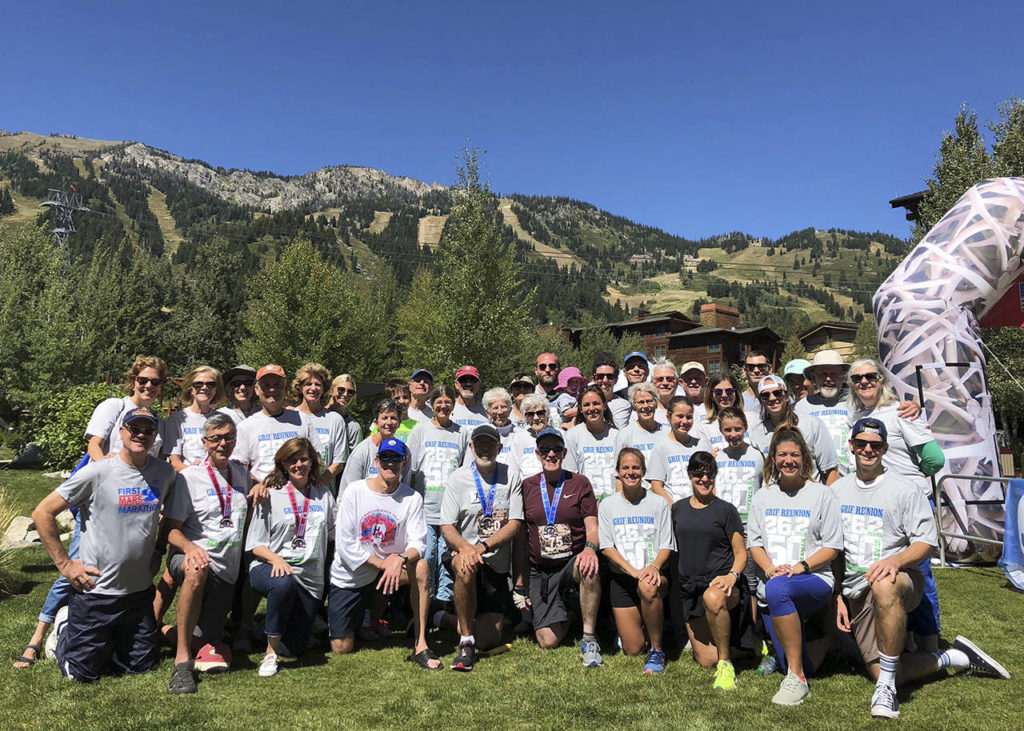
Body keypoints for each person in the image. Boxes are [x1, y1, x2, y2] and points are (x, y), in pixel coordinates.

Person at [833, 417, 1009, 719]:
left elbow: (925, 544)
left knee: (884, 583)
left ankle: (887, 690)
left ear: (885, 448)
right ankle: (953, 657)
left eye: (875, 445)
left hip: (900, 580)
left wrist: (894, 561)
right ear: (851, 445)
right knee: (878, 669)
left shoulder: (904, 489)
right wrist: (838, 594)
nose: (867, 450)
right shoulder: (837, 491)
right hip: (854, 589)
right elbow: (835, 550)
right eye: (861, 443)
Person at [14, 355, 167, 670]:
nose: (149, 386)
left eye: (155, 381)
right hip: (101, 496)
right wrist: (106, 478)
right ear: (133, 380)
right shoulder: (113, 406)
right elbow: (94, 445)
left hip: (132, 497)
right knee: (80, 569)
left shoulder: (156, 420)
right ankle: (43, 633)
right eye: (143, 380)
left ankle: (111, 634)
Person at [31, 406, 176, 682]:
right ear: (122, 432)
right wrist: (65, 564)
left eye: (148, 430)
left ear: (155, 435)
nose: (141, 435)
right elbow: (42, 512)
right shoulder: (97, 472)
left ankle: (110, 642)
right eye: (135, 429)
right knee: (81, 675)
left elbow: (169, 516)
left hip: (138, 594)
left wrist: (158, 549)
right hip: (95, 592)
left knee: (143, 666)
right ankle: (64, 625)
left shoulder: (165, 474)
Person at [846, 358, 946, 651]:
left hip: (908, 504)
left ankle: (930, 642)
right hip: (878, 504)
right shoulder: (856, 418)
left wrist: (913, 480)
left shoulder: (902, 412)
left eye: (870, 376)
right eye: (857, 378)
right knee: (891, 573)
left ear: (882, 380)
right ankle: (907, 639)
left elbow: (935, 460)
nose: (864, 382)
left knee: (920, 575)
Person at [748, 428, 844, 706]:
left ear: (804, 458)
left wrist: (803, 566)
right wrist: (768, 570)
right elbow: (755, 543)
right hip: (775, 582)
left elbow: (832, 546)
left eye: (794, 454)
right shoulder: (763, 496)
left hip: (815, 579)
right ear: (772, 459)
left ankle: (796, 679)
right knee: (804, 658)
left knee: (779, 590)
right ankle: (830, 643)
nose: (788, 460)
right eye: (782, 455)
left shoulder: (822, 494)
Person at [328, 438, 439, 670]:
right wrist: (382, 564)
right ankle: (363, 621)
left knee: (421, 567)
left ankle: (420, 644)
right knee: (341, 647)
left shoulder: (412, 498)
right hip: (354, 573)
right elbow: (345, 545)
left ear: (404, 462)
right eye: (386, 458)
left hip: (388, 572)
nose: (391, 463)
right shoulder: (354, 491)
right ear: (377, 461)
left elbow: (419, 543)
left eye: (396, 458)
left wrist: (399, 559)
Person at [162, 413, 253, 694]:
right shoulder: (188, 478)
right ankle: (182, 663)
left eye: (228, 437)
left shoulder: (242, 474)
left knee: (207, 638)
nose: (222, 443)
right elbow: (171, 530)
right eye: (215, 438)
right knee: (196, 569)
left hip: (227, 570)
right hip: (192, 559)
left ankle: (159, 631)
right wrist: (191, 548)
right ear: (204, 442)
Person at [246, 438, 336, 677]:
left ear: (311, 462)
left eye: (304, 459)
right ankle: (270, 654)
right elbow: (255, 544)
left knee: (294, 649)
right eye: (292, 460)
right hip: (270, 567)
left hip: (310, 579)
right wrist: (276, 560)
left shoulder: (323, 495)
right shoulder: (270, 495)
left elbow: (335, 533)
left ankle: (263, 631)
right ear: (283, 464)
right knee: (282, 582)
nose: (299, 464)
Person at [440, 424, 524, 670]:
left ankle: (444, 617)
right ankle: (465, 642)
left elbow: (515, 523)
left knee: (488, 639)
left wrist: (483, 547)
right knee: (466, 568)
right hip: (462, 553)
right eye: (479, 444)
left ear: (499, 447)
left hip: (494, 563)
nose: (484, 449)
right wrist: (467, 549)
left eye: (489, 444)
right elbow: (446, 526)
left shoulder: (511, 475)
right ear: (471, 447)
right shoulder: (458, 478)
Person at [522, 427, 603, 665]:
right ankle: (573, 612)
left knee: (590, 566)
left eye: (556, 449)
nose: (550, 455)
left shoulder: (579, 483)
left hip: (571, 563)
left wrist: (589, 548)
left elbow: (593, 528)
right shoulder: (526, 486)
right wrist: (520, 582)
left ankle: (589, 637)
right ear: (537, 454)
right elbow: (520, 536)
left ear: (564, 452)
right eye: (545, 450)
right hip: (542, 570)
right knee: (547, 640)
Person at [671, 451, 748, 689]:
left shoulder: (726, 510)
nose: (704, 479)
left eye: (709, 474)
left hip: (722, 585)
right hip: (690, 588)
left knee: (712, 597)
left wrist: (732, 576)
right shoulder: (677, 509)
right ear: (689, 475)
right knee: (706, 661)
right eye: (698, 474)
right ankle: (742, 646)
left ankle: (726, 665)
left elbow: (741, 553)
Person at [599, 448, 674, 674]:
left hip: (653, 576)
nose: (631, 472)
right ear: (618, 472)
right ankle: (640, 629)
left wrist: (653, 567)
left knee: (647, 585)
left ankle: (658, 651)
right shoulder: (608, 504)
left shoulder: (658, 503)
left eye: (636, 468)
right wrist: (632, 571)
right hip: (623, 579)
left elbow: (666, 545)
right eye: (626, 468)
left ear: (643, 471)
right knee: (632, 649)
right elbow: (606, 546)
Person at [796, 351, 922, 480]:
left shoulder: (859, 402)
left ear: (844, 377)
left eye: (834, 373)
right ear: (814, 377)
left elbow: (883, 407)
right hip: (814, 483)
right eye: (823, 374)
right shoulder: (799, 407)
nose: (829, 379)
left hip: (853, 482)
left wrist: (914, 406)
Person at [406, 385, 468, 604]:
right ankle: (426, 601)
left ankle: (445, 602)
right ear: (432, 405)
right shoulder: (420, 431)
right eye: (439, 402)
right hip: (425, 508)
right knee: (428, 556)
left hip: (450, 512)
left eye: (447, 402)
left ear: (453, 405)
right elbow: (409, 469)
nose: (443, 406)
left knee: (446, 558)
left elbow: (465, 472)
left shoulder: (462, 433)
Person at [234, 364, 320, 485]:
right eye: (266, 386)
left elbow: (317, 457)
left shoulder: (302, 420)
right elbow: (240, 467)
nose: (272, 390)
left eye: (277, 385)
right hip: (265, 498)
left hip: (302, 495)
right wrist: (260, 487)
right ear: (257, 390)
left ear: (285, 389)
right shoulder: (246, 427)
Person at [749, 375, 839, 485]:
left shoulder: (812, 425)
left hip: (809, 498)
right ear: (761, 401)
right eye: (765, 395)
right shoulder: (756, 433)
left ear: (786, 396)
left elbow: (831, 470)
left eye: (777, 393)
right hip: (774, 499)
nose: (772, 398)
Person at [647, 397, 712, 503]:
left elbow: (710, 480)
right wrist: (675, 509)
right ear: (669, 417)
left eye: (689, 417)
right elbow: (656, 487)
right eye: (680, 416)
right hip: (674, 510)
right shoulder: (661, 447)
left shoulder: (702, 445)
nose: (685, 421)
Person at [293, 363, 348, 485]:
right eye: (308, 384)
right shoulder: (290, 417)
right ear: (300, 387)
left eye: (318, 384)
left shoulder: (335, 420)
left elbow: (339, 462)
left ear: (324, 389)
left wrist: (318, 484)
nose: (313, 388)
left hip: (322, 490)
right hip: (293, 491)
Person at [563, 385, 620, 502]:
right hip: (586, 505)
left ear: (604, 405)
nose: (592, 408)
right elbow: (571, 477)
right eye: (586, 405)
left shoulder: (618, 436)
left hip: (614, 504)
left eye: (596, 403)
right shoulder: (572, 436)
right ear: (580, 408)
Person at [163, 366, 225, 472]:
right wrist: (198, 475)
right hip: (189, 482)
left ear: (216, 390)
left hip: (217, 481)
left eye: (210, 384)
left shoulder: (223, 420)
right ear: (191, 389)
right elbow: (175, 463)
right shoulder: (177, 420)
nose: (204, 388)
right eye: (198, 384)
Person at [340, 399, 410, 492]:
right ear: (376, 423)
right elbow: (347, 489)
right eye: (384, 418)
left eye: (393, 418)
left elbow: (405, 487)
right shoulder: (362, 451)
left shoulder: (404, 451)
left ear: (399, 423)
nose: (389, 423)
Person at [613, 382, 669, 489]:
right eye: (640, 402)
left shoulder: (667, 432)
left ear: (656, 404)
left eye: (650, 401)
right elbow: (618, 475)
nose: (646, 406)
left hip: (664, 492)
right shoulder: (625, 435)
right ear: (634, 406)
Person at [698, 372, 752, 451]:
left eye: (729, 391)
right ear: (711, 396)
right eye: (718, 392)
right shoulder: (705, 427)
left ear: (736, 393)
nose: (724, 395)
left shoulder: (752, 419)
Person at [508, 393, 550, 480]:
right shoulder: (519, 439)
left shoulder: (560, 435)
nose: (535, 418)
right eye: (530, 414)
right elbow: (514, 470)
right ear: (525, 418)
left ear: (547, 415)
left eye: (540, 413)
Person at [592, 352, 632, 429]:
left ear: (616, 380)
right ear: (594, 379)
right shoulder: (584, 402)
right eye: (600, 376)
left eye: (610, 376)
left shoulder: (622, 405)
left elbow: (616, 432)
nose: (605, 380)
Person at [327, 374, 363, 459]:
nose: (345, 394)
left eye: (350, 392)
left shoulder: (353, 427)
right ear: (331, 390)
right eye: (341, 389)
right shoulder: (316, 416)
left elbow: (355, 460)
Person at [482, 386, 517, 463]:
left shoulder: (520, 434)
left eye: (503, 407)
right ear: (488, 413)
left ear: (510, 410)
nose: (500, 412)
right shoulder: (482, 434)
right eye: (495, 408)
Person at [534, 351, 562, 427]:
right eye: (542, 367)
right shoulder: (529, 396)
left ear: (559, 370)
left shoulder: (568, 394)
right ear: (536, 371)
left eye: (552, 366)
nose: (547, 370)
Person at [650, 358, 679, 425]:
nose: (665, 383)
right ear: (652, 383)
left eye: (670, 379)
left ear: (677, 382)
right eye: (659, 379)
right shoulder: (645, 411)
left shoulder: (686, 408)